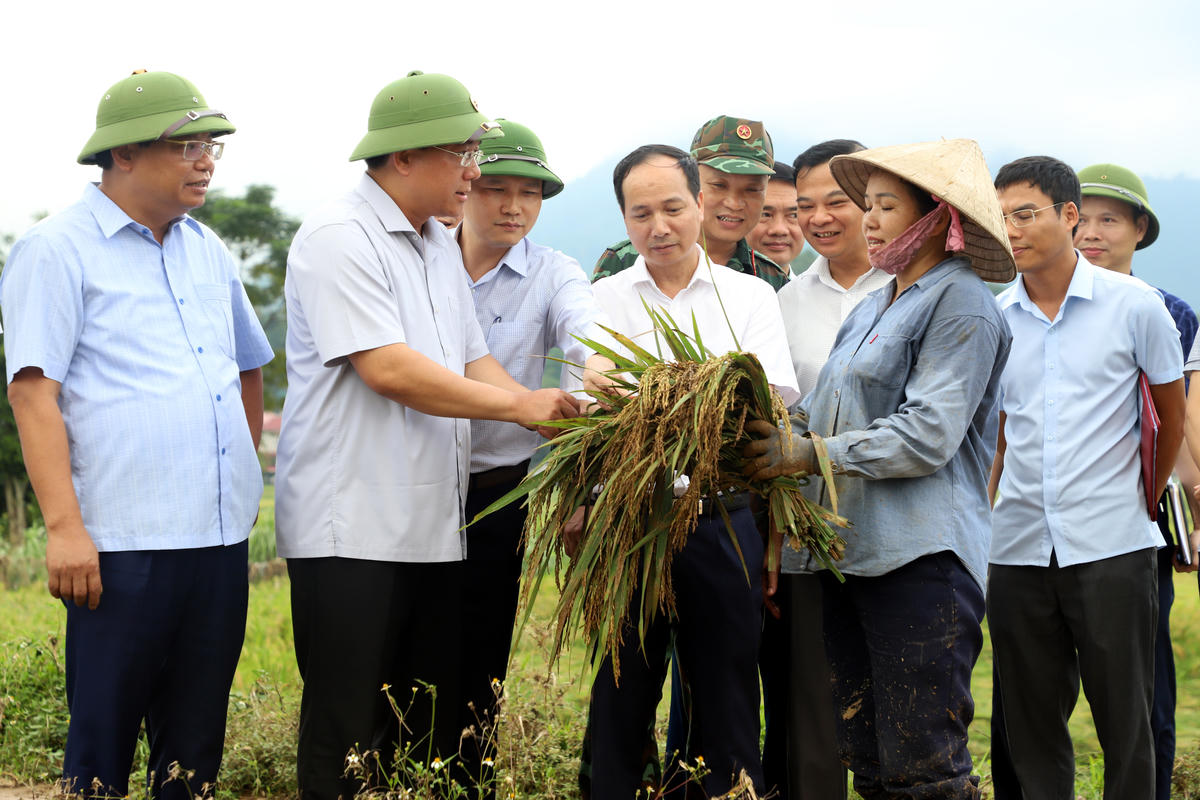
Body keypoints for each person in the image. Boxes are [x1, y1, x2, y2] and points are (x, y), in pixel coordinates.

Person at [274, 72, 579, 800]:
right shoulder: (338, 237)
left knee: (419, 721)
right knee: (345, 729)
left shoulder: (435, 243)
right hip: (351, 528)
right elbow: (389, 368)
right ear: (403, 157)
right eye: (463, 154)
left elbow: (470, 359)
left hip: (428, 528)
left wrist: (556, 411)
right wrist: (518, 410)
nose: (476, 172)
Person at [0, 69, 272, 799]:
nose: (206, 161)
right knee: (102, 749)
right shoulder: (55, 250)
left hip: (214, 540)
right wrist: (63, 528)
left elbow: (248, 367)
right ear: (122, 154)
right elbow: (32, 393)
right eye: (187, 146)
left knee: (193, 749)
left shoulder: (207, 249)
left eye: (210, 146)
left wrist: (241, 478)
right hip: (120, 545)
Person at [744, 139, 1014, 799]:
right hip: (848, 556)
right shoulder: (873, 307)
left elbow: (928, 434)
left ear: (938, 218)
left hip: (919, 563)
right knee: (867, 751)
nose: (869, 218)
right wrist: (756, 432)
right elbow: (816, 413)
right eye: (870, 204)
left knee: (923, 761)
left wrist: (808, 455)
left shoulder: (962, 303)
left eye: (886, 206)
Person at [582, 144, 800, 799]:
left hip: (721, 520)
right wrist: (705, 389)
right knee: (621, 692)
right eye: (640, 212)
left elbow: (769, 399)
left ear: (700, 205)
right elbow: (599, 399)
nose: (659, 227)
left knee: (727, 696)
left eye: (673, 207)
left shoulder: (751, 296)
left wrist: (650, 394)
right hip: (630, 520)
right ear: (624, 220)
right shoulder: (602, 299)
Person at [988, 156, 1185, 800]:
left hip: (1112, 545)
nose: (1012, 230)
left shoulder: (1137, 307)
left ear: (1067, 216)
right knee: (1030, 720)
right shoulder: (995, 316)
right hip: (1016, 546)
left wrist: (1141, 498)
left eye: (1026, 214)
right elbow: (996, 434)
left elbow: (1170, 415)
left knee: (1126, 721)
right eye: (1003, 216)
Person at [454, 118, 601, 793]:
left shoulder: (553, 272)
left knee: (479, 646)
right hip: (408, 477)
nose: (513, 206)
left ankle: (468, 779)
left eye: (529, 193)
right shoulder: (421, 258)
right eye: (496, 189)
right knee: (400, 637)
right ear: (464, 188)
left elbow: (583, 329)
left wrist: (599, 367)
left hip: (495, 486)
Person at [771, 138, 892, 800]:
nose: (819, 218)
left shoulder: (920, 290)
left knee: (904, 709)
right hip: (811, 534)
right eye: (806, 204)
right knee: (815, 715)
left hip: (901, 534)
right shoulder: (786, 302)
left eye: (838, 202)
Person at [592, 116, 789, 291]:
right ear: (693, 184)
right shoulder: (624, 260)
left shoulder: (771, 279)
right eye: (719, 185)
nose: (734, 203)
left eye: (752, 190)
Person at [747, 161, 811, 274]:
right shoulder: (714, 289)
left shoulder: (813, 291)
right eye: (765, 214)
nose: (779, 230)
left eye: (793, 215)